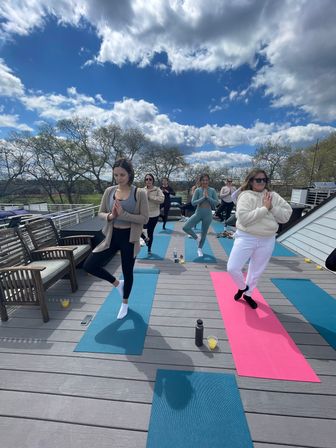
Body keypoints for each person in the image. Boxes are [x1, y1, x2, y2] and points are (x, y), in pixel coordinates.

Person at [83, 158, 149, 319]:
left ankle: (125, 303)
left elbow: (145, 218)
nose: (119, 178)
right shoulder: (109, 191)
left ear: (130, 174)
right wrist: (111, 215)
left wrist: (124, 215)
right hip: (112, 235)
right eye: (116, 175)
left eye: (122, 175)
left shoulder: (139, 193)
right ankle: (117, 284)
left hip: (129, 237)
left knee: (128, 271)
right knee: (89, 265)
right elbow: (100, 213)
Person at [227, 168, 292, 309]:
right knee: (232, 268)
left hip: (267, 239)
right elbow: (244, 219)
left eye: (264, 180)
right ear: (251, 181)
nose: (261, 182)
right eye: (258, 179)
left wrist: (271, 208)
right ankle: (242, 287)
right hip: (246, 237)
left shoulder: (272, 196)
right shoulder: (244, 196)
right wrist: (264, 209)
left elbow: (286, 216)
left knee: (256, 270)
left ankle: (248, 294)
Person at [182, 174, 219, 257]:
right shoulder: (198, 190)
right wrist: (203, 198)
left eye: (206, 180)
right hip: (198, 213)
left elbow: (217, 202)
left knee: (204, 233)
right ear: (201, 181)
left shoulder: (212, 190)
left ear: (209, 181)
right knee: (186, 227)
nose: (205, 182)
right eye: (203, 180)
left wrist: (208, 197)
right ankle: (196, 238)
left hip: (208, 215)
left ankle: (200, 249)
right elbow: (193, 202)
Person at [140, 173, 164, 254]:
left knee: (150, 232)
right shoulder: (142, 190)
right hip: (144, 215)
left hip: (154, 215)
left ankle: (149, 248)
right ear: (145, 181)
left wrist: (150, 197)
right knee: (138, 229)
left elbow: (161, 199)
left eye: (150, 179)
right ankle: (144, 239)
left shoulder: (157, 190)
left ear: (153, 180)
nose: (148, 181)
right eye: (146, 179)